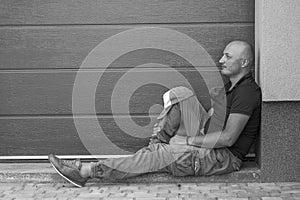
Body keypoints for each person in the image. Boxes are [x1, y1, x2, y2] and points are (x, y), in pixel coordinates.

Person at [49, 41, 261, 187]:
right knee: (182, 94)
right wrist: (212, 109)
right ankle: (154, 151)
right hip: (208, 139)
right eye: (223, 55)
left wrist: (187, 140)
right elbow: (211, 121)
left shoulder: (247, 92)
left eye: (227, 56)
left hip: (224, 156)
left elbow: (228, 138)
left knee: (164, 154)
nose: (221, 59)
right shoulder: (231, 87)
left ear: (244, 63)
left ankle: (85, 172)